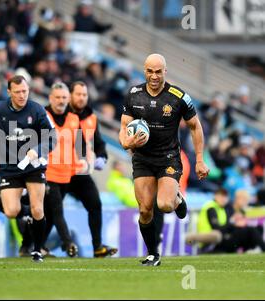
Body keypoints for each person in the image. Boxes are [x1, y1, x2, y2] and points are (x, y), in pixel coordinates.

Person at [119, 53, 210, 266]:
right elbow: (124, 128)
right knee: (144, 209)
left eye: (158, 71)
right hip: (142, 159)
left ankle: (177, 198)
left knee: (166, 205)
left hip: (168, 158)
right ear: (144, 71)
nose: (154, 76)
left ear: (165, 72)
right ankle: (153, 254)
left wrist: (199, 160)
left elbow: (195, 126)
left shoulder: (178, 97)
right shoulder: (133, 95)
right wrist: (127, 143)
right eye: (150, 71)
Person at [0, 75, 56, 262]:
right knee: (11, 211)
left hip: (34, 165)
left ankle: (36, 250)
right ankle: (27, 211)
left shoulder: (37, 110)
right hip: (10, 165)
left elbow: (52, 138)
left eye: (25, 91)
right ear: (9, 92)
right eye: (17, 92)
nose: (22, 95)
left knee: (38, 208)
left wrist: (38, 150)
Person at [19, 82, 81, 257]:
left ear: (68, 99)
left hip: (66, 174)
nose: (61, 101)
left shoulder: (74, 119)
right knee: (56, 210)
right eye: (58, 97)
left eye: (64, 98)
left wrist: (78, 165)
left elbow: (78, 146)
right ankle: (68, 243)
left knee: (49, 214)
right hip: (47, 171)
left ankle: (29, 246)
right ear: (50, 98)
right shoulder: (42, 115)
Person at [68, 81, 118, 258]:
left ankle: (97, 247)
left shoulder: (91, 117)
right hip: (58, 171)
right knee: (50, 210)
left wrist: (102, 156)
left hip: (80, 172)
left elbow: (98, 143)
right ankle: (35, 246)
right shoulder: (59, 114)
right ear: (70, 95)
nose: (81, 98)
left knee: (95, 205)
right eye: (78, 94)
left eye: (84, 95)